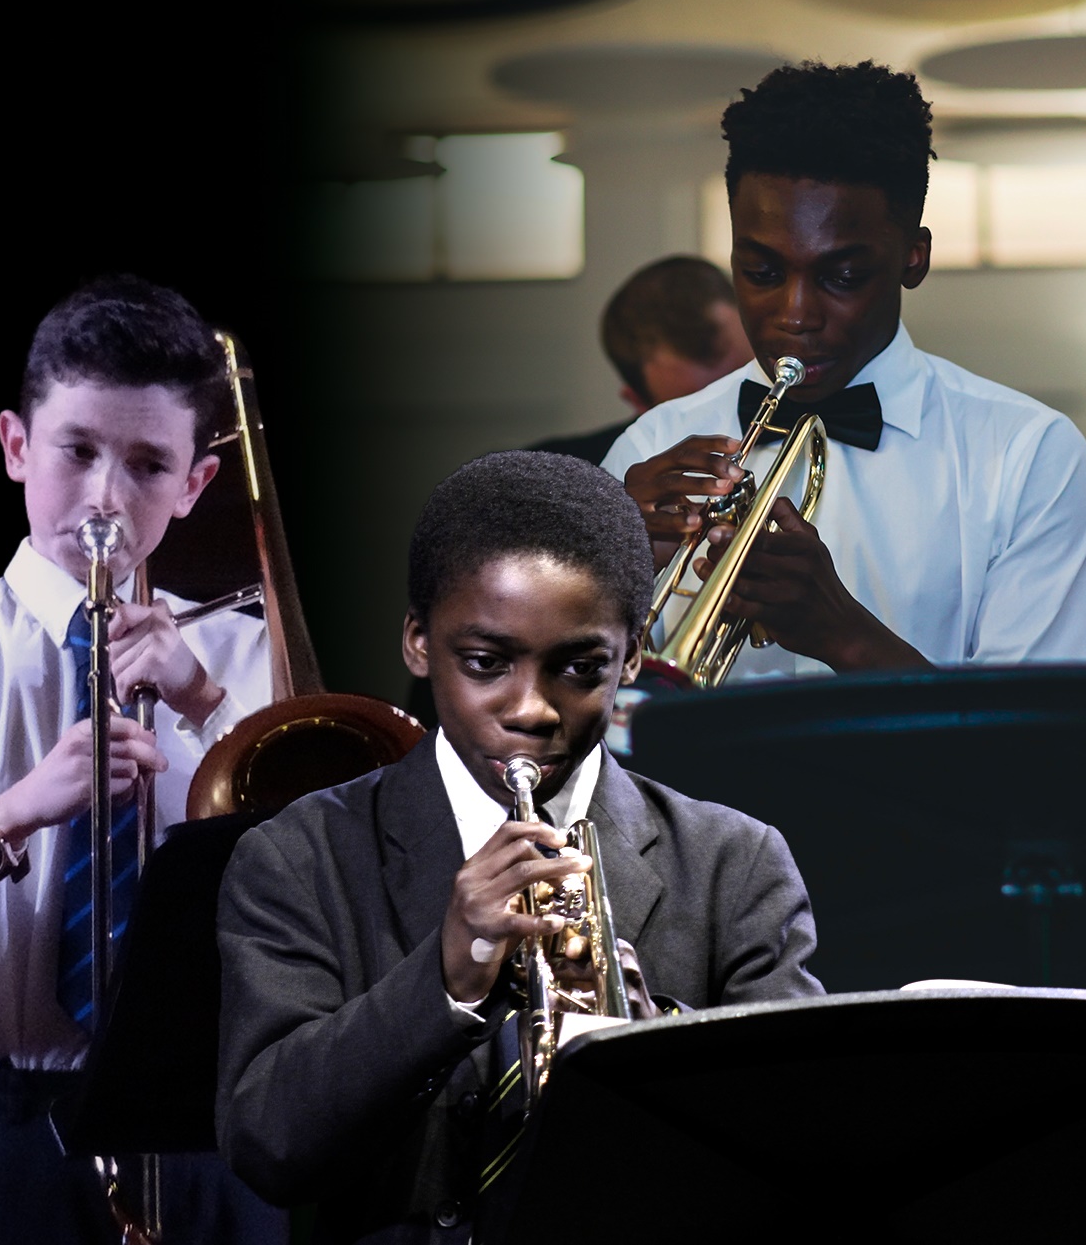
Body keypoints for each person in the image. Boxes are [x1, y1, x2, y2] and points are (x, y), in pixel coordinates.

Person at [215, 451, 821, 1242]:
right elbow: (269, 1146)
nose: (531, 709)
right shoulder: (299, 854)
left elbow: (800, 1164)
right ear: (417, 642)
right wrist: (444, 979)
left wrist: (660, 1049)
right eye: (486, 663)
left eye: (579, 667)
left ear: (633, 657)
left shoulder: (736, 863)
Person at [0, 275, 280, 1243]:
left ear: (194, 483)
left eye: (147, 465)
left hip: (219, 1118)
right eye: (76, 451)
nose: (104, 498)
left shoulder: (253, 657)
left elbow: (319, 893)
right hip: (5, 1124)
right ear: (15, 447)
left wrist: (206, 708)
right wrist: (11, 815)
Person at [603, 61, 1086, 678]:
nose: (795, 316)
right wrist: (607, 573)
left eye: (842, 277)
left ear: (913, 258)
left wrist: (842, 633)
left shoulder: (1029, 455)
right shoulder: (651, 443)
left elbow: (1030, 750)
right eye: (760, 273)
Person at [530, 255, 754, 466]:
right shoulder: (564, 471)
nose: (729, 414)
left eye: (746, 379)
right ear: (638, 403)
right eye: (696, 405)